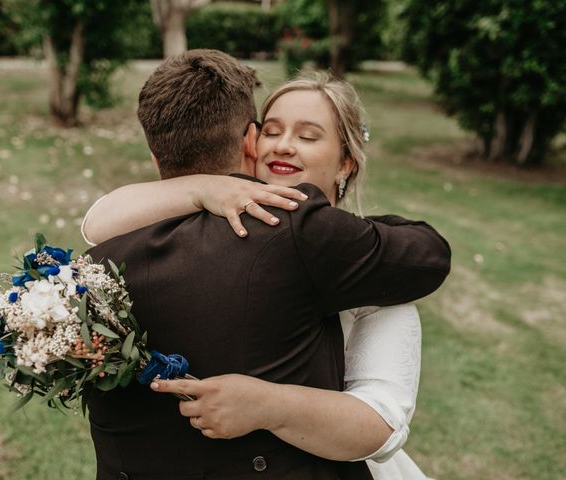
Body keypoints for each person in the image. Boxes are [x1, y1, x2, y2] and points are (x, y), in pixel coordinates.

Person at [85, 49, 450, 480]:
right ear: (250, 142)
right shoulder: (186, 227)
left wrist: (268, 404)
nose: (283, 145)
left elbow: (383, 424)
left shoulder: (369, 266)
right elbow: (96, 222)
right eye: (271, 131)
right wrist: (207, 186)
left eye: (309, 136)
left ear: (346, 162)